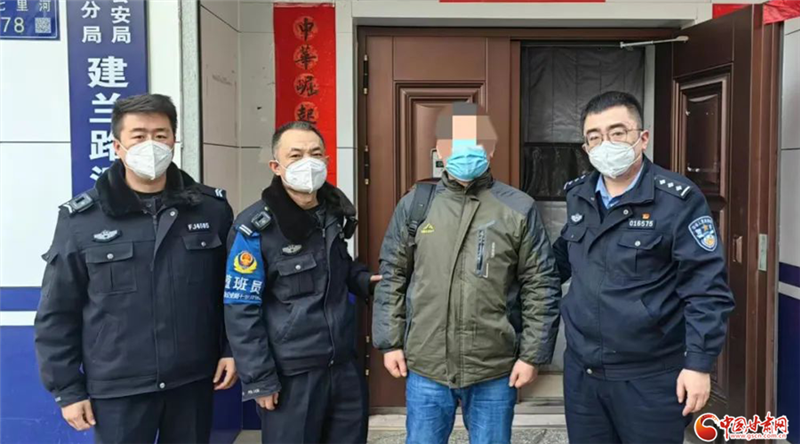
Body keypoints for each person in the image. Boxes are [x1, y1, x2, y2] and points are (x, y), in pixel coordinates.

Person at [34, 93, 237, 443]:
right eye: (139, 136)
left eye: (160, 135)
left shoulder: (210, 210)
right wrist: (67, 388)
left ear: (173, 141)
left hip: (191, 381)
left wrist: (231, 351)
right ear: (118, 146)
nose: (151, 145)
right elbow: (57, 311)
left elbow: (230, 294)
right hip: (118, 388)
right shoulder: (81, 220)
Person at [373, 103, 562, 444]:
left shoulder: (518, 208)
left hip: (493, 368)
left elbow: (541, 284)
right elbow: (393, 275)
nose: (464, 149)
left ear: (491, 149)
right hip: (427, 366)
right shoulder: (416, 204)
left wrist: (532, 355)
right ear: (440, 149)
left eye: (475, 140)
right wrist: (390, 342)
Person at [553, 91, 736, 443]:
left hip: (650, 377)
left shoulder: (677, 200)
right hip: (583, 374)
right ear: (586, 148)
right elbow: (560, 261)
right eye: (595, 136)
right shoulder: (579, 194)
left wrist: (699, 364)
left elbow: (707, 290)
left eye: (617, 132)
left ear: (643, 137)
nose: (606, 144)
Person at [223, 121, 379, 444]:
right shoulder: (255, 228)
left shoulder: (333, 213)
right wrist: (260, 379)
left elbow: (339, 267)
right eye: (295, 155)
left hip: (343, 367)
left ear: (326, 161)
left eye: (315, 153)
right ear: (276, 166)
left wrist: (365, 281)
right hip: (291, 375)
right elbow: (241, 308)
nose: (308, 162)